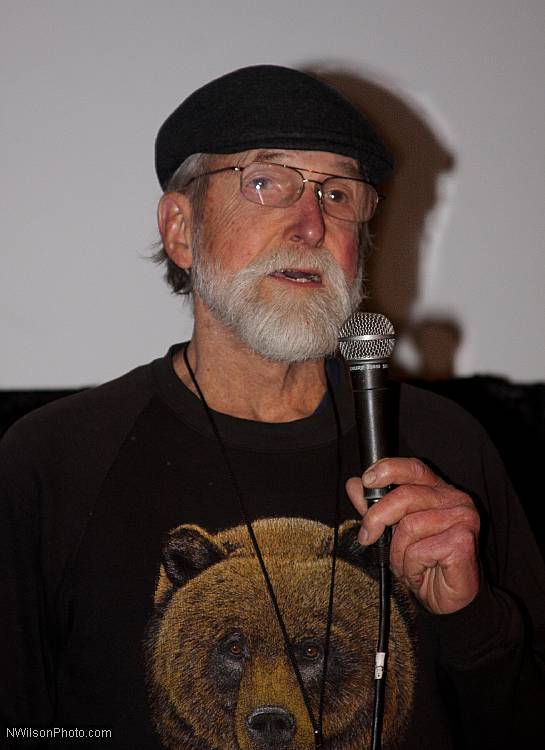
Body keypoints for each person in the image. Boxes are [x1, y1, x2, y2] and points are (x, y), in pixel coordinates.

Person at [1, 65, 544, 750]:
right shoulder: (53, 461)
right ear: (179, 227)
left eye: (338, 193)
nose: (311, 223)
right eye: (266, 183)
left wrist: (469, 620)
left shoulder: (444, 446)